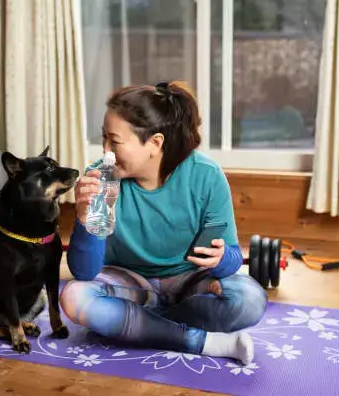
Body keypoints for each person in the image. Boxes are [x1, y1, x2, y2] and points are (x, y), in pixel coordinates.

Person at [59, 81, 268, 365]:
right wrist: (84, 220)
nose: (106, 151)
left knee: (250, 299)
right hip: (131, 282)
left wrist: (219, 259)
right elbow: (84, 272)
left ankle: (134, 323)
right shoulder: (101, 177)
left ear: (155, 143)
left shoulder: (205, 176)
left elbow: (231, 259)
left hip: (190, 285)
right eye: (103, 139)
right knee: (74, 298)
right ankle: (198, 340)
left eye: (115, 141)